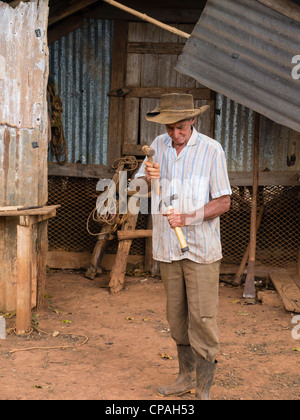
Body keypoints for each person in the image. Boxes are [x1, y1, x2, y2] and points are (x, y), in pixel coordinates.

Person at [134, 93, 232, 400]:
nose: (176, 135)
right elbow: (135, 190)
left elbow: (224, 201)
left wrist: (188, 217)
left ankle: (203, 388)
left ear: (193, 120)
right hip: (167, 247)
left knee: (201, 318)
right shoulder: (157, 148)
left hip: (200, 249)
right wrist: (148, 180)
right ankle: (185, 377)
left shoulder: (211, 150)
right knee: (177, 318)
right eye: (170, 128)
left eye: (182, 127)